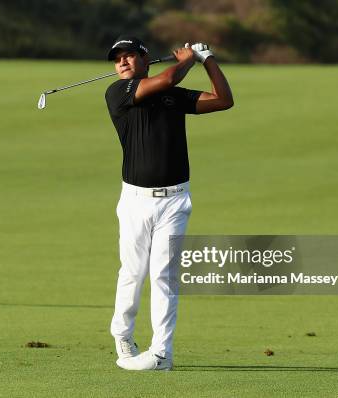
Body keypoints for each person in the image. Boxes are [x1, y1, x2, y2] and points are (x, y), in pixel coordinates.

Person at [104, 35, 234, 371]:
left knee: (164, 275)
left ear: (146, 60)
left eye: (131, 56)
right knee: (133, 272)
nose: (123, 62)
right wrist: (188, 58)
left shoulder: (172, 97)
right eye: (118, 58)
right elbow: (170, 77)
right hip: (135, 201)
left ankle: (161, 353)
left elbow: (223, 100)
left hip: (175, 201)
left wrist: (207, 60)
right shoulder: (118, 93)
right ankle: (123, 335)